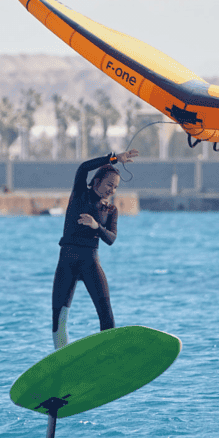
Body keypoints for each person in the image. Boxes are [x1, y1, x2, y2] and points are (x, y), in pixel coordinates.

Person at [51, 150, 138, 349]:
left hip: (90, 262)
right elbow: (83, 167)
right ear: (96, 181)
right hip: (67, 261)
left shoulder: (110, 210)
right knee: (59, 316)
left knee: (106, 313)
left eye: (115, 187)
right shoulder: (80, 193)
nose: (111, 190)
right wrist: (114, 158)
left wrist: (96, 226)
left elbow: (112, 239)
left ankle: (108, 354)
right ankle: (62, 356)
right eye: (109, 184)